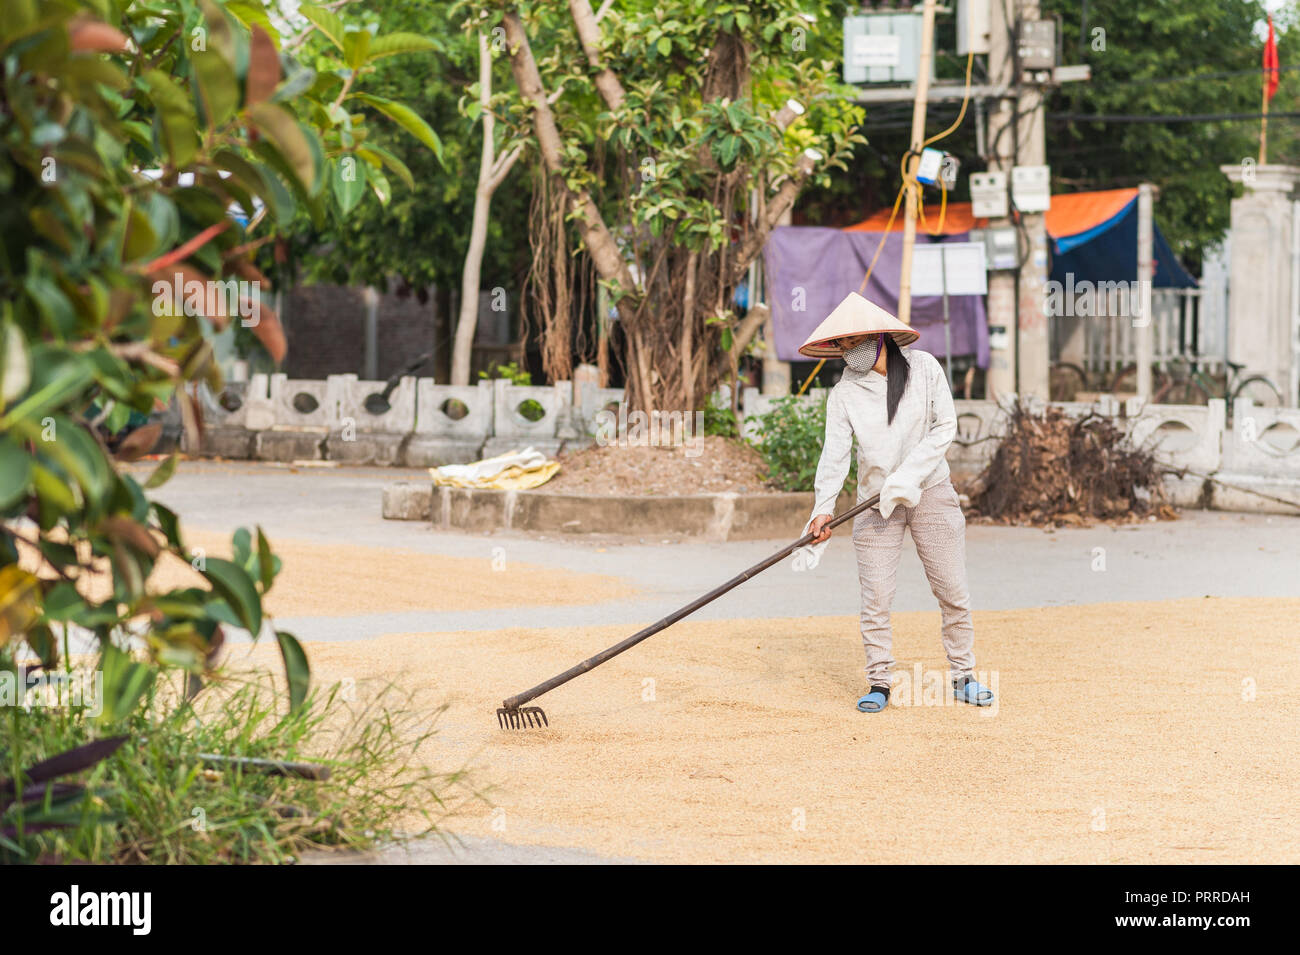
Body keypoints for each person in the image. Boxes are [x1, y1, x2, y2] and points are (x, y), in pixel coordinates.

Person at [799, 291, 993, 713]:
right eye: (842, 345)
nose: (848, 351)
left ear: (880, 335)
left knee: (952, 590)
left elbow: (945, 428)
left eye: (855, 341)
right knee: (876, 598)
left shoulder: (924, 369)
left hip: (932, 493)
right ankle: (879, 682)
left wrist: (906, 478)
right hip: (873, 503)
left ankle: (963, 675)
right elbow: (834, 455)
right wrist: (823, 510)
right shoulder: (844, 395)